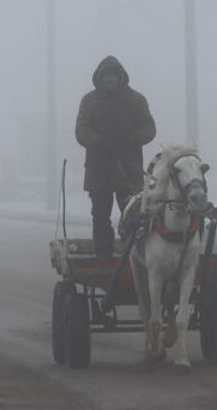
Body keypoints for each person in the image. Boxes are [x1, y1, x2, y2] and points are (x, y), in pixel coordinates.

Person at [75, 55, 156, 259]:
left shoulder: (137, 100)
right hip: (98, 170)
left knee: (132, 216)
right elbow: (81, 131)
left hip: (128, 170)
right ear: (99, 79)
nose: (109, 79)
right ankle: (103, 256)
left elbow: (149, 128)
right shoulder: (89, 101)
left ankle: (133, 255)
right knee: (100, 217)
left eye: (113, 75)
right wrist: (97, 141)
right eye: (106, 76)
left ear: (120, 78)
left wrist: (133, 138)